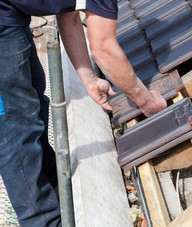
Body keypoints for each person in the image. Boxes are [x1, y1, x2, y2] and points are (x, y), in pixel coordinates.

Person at [0, 0, 167, 226]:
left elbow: (68, 14)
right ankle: (44, 221)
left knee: (34, 106)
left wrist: (89, 79)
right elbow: (103, 49)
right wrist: (146, 101)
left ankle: (53, 187)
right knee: (14, 126)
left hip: (10, 18)